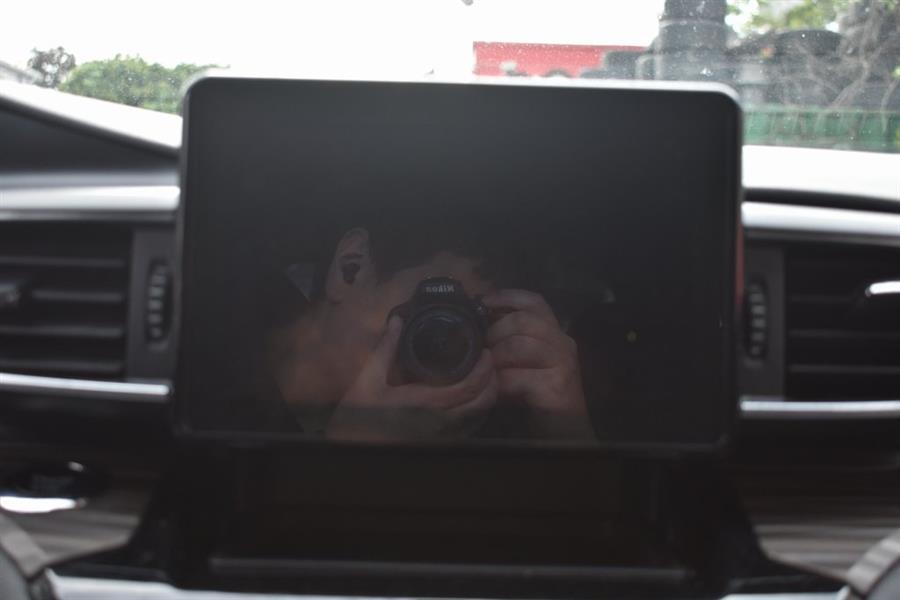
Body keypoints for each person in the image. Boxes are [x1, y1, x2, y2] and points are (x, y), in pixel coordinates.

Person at [263, 221, 594, 442]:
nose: (443, 349)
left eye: (469, 333)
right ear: (352, 268)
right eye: (430, 315)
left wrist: (567, 436)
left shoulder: (478, 431)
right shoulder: (232, 397)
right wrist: (354, 448)